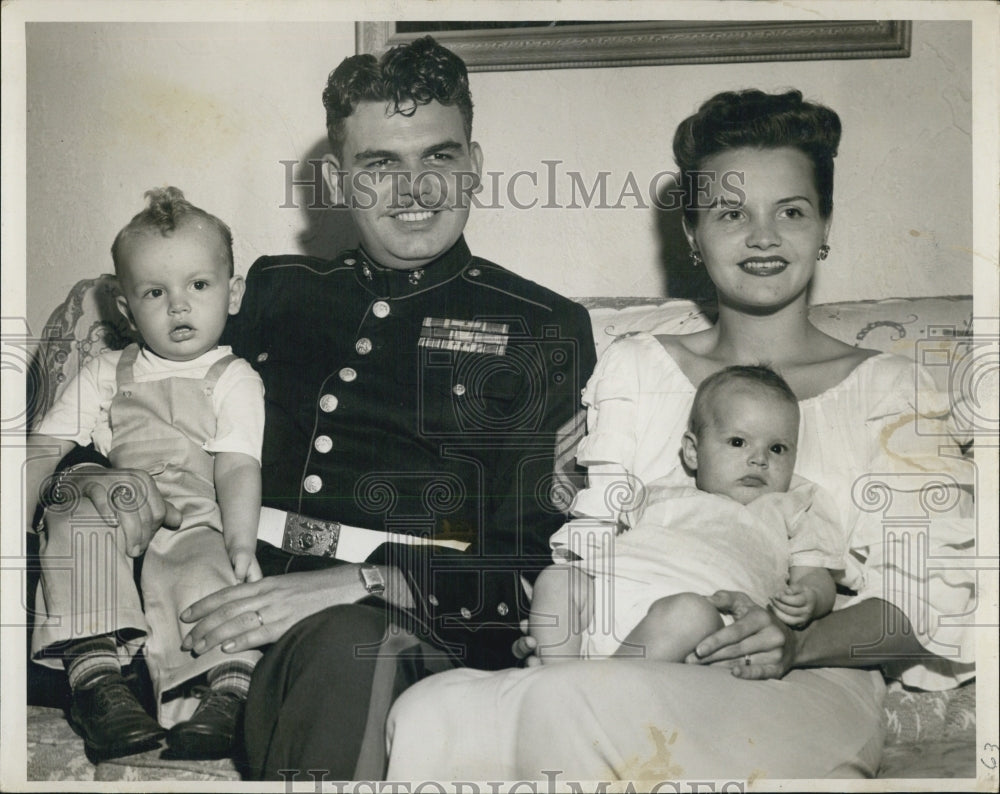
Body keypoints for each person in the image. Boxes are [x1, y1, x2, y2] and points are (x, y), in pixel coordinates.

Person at [35, 36, 596, 780]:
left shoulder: (539, 325)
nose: (415, 190)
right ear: (337, 179)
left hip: (389, 620)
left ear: (475, 165)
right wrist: (85, 477)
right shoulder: (275, 289)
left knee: (345, 650)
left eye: (439, 158)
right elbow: (151, 393)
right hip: (219, 581)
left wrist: (366, 580)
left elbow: (528, 558)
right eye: (380, 166)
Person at [385, 88, 976, 781]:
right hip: (619, 655)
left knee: (577, 707)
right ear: (694, 235)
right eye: (731, 213)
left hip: (804, 682)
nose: (763, 237)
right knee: (428, 711)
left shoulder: (893, 390)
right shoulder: (637, 369)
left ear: (824, 226)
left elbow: (932, 599)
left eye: (790, 211)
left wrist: (796, 638)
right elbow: (590, 542)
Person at [26, 187, 264, 760]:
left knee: (206, 569)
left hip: (193, 514)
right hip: (117, 502)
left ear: (233, 296)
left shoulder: (235, 378)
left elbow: (236, 465)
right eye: (156, 292)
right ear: (129, 311)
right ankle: (95, 679)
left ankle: (223, 694)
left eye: (198, 286)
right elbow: (46, 443)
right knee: (72, 517)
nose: (178, 306)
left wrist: (241, 542)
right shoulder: (107, 370)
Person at [529, 364, 843, 665]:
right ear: (693, 451)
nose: (759, 459)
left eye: (777, 449)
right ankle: (557, 675)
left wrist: (811, 596)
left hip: (699, 619)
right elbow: (617, 539)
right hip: (610, 597)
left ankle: (585, 690)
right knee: (559, 579)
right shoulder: (661, 490)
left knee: (689, 612)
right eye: (738, 442)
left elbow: (815, 573)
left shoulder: (796, 503)